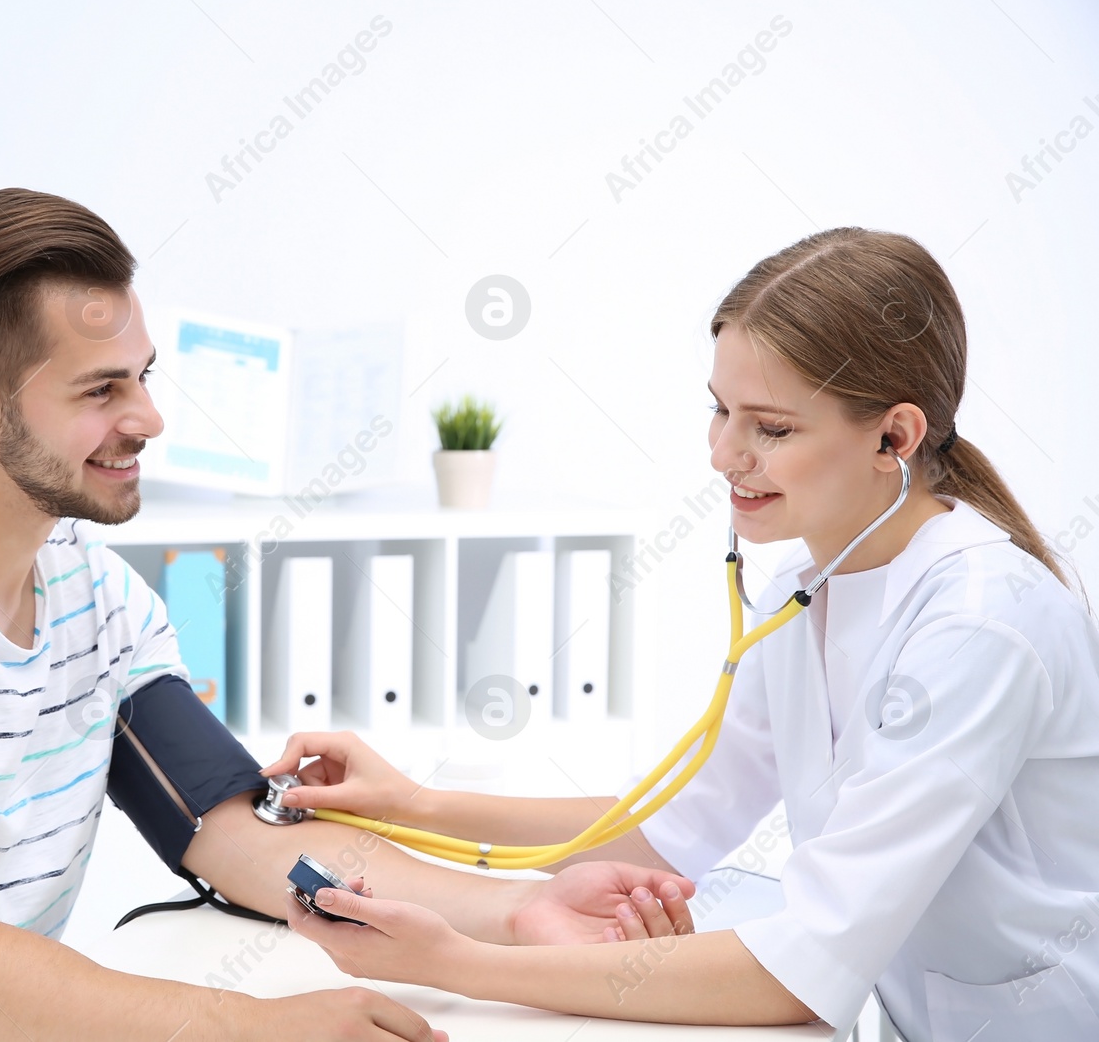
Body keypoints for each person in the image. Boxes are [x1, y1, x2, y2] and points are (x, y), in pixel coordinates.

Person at [0, 188, 698, 1042]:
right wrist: (255, 1024)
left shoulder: (93, 593)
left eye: (143, 378)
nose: (148, 419)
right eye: (102, 389)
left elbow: (229, 831)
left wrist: (513, 912)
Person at [266, 228, 1099, 1041]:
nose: (723, 454)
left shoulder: (980, 625)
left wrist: (455, 962)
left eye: (769, 427)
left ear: (894, 437)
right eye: (720, 411)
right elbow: (666, 828)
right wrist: (417, 801)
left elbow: (799, 968)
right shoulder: (805, 589)